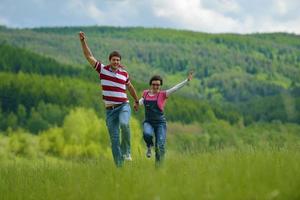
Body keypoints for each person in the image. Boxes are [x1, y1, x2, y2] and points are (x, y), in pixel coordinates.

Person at [79, 31, 139, 167]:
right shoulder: (102, 70)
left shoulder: (124, 73)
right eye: (114, 60)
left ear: (120, 61)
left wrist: (136, 100)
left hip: (124, 106)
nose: (116, 62)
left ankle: (127, 152)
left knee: (124, 124)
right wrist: (83, 41)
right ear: (109, 60)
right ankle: (119, 168)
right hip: (110, 110)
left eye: (118, 60)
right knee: (114, 140)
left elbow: (130, 87)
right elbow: (89, 56)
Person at [139, 71, 193, 164]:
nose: (155, 87)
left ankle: (159, 167)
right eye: (153, 84)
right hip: (148, 121)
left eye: (158, 85)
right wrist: (136, 104)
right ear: (150, 85)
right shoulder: (145, 93)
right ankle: (149, 146)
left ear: (160, 86)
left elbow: (175, 88)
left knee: (160, 145)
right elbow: (141, 101)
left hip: (160, 123)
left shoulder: (163, 94)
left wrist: (186, 80)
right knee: (147, 134)